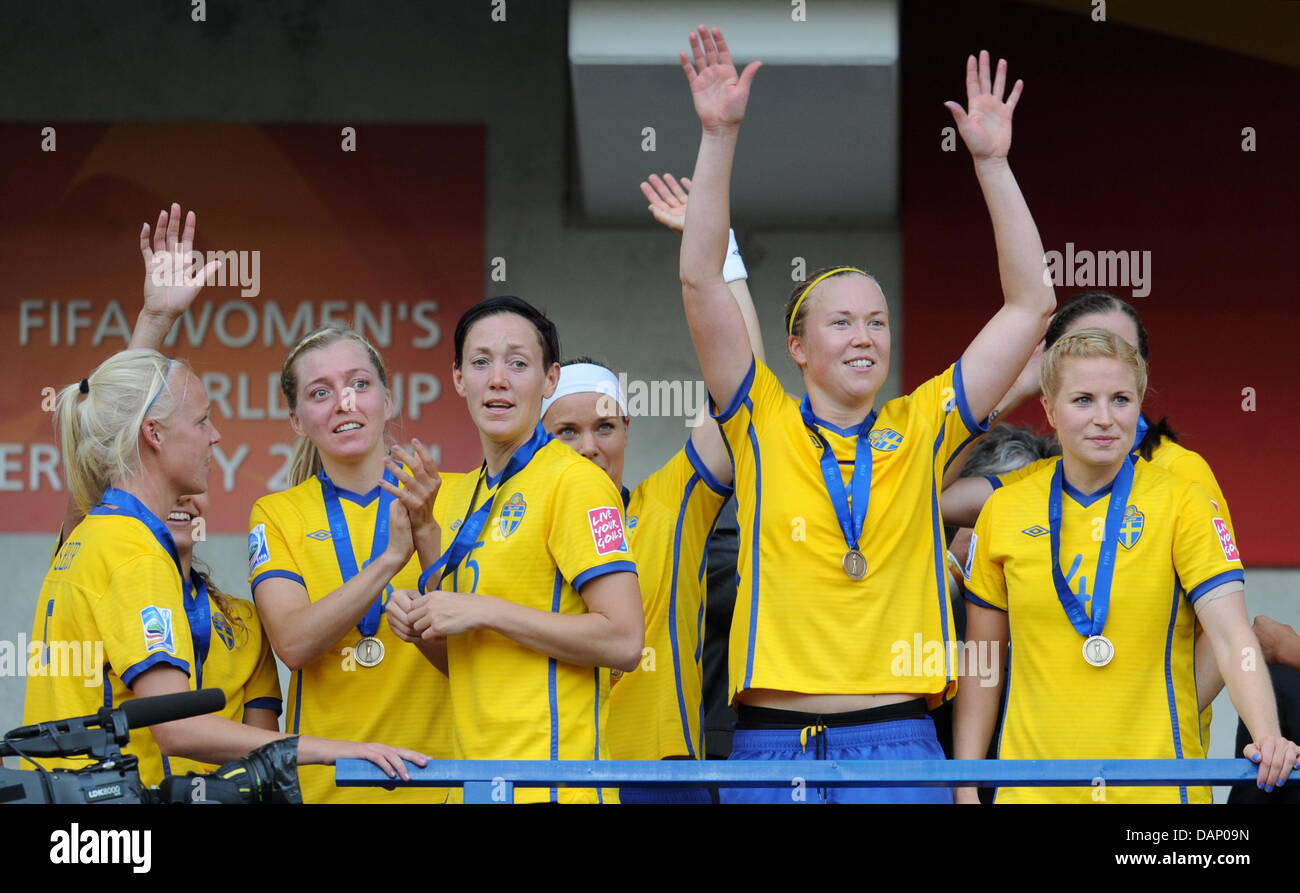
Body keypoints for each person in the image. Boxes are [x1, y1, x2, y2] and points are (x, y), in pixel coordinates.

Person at [676, 27, 1055, 803]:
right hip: (770, 746)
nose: (864, 336)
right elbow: (702, 284)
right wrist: (718, 137)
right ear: (797, 347)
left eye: (878, 321)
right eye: (841, 322)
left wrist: (992, 163)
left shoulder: (922, 425)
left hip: (899, 741)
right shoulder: (760, 422)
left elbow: (1031, 304)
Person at [23, 346, 427, 788]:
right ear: (154, 434)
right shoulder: (133, 549)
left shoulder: (90, 534)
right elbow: (177, 729)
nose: (215, 436)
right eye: (201, 421)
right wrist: (339, 749)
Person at [954, 329, 1299, 803]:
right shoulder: (1006, 509)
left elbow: (1231, 636)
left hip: (1157, 791)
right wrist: (966, 782)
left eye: (1120, 399)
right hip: (1033, 791)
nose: (1104, 418)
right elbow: (983, 664)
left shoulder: (1184, 502)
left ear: (1139, 406)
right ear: (1050, 410)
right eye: (1083, 400)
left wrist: (1267, 733)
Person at [941, 290, 1237, 743]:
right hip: (1047, 754)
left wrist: (1150, 725)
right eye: (1083, 349)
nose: (1101, 362)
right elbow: (925, 493)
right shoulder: (1037, 479)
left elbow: (1223, 633)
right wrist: (1018, 385)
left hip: (1152, 765)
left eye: (1119, 352)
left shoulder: (1180, 472)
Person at [385, 295, 643, 804]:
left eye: (518, 363)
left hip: (555, 790)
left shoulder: (577, 482)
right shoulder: (466, 493)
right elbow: (472, 663)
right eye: (481, 362)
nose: (497, 379)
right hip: (475, 788)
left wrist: (484, 610)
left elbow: (623, 641)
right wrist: (422, 629)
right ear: (459, 378)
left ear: (550, 381)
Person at [248, 322, 453, 803]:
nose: (345, 403)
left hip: (444, 784)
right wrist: (388, 562)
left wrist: (426, 536)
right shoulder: (277, 513)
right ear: (297, 420)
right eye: (321, 393)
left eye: (360, 384)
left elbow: (471, 657)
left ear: (388, 398)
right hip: (327, 788)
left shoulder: (455, 495)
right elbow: (294, 644)